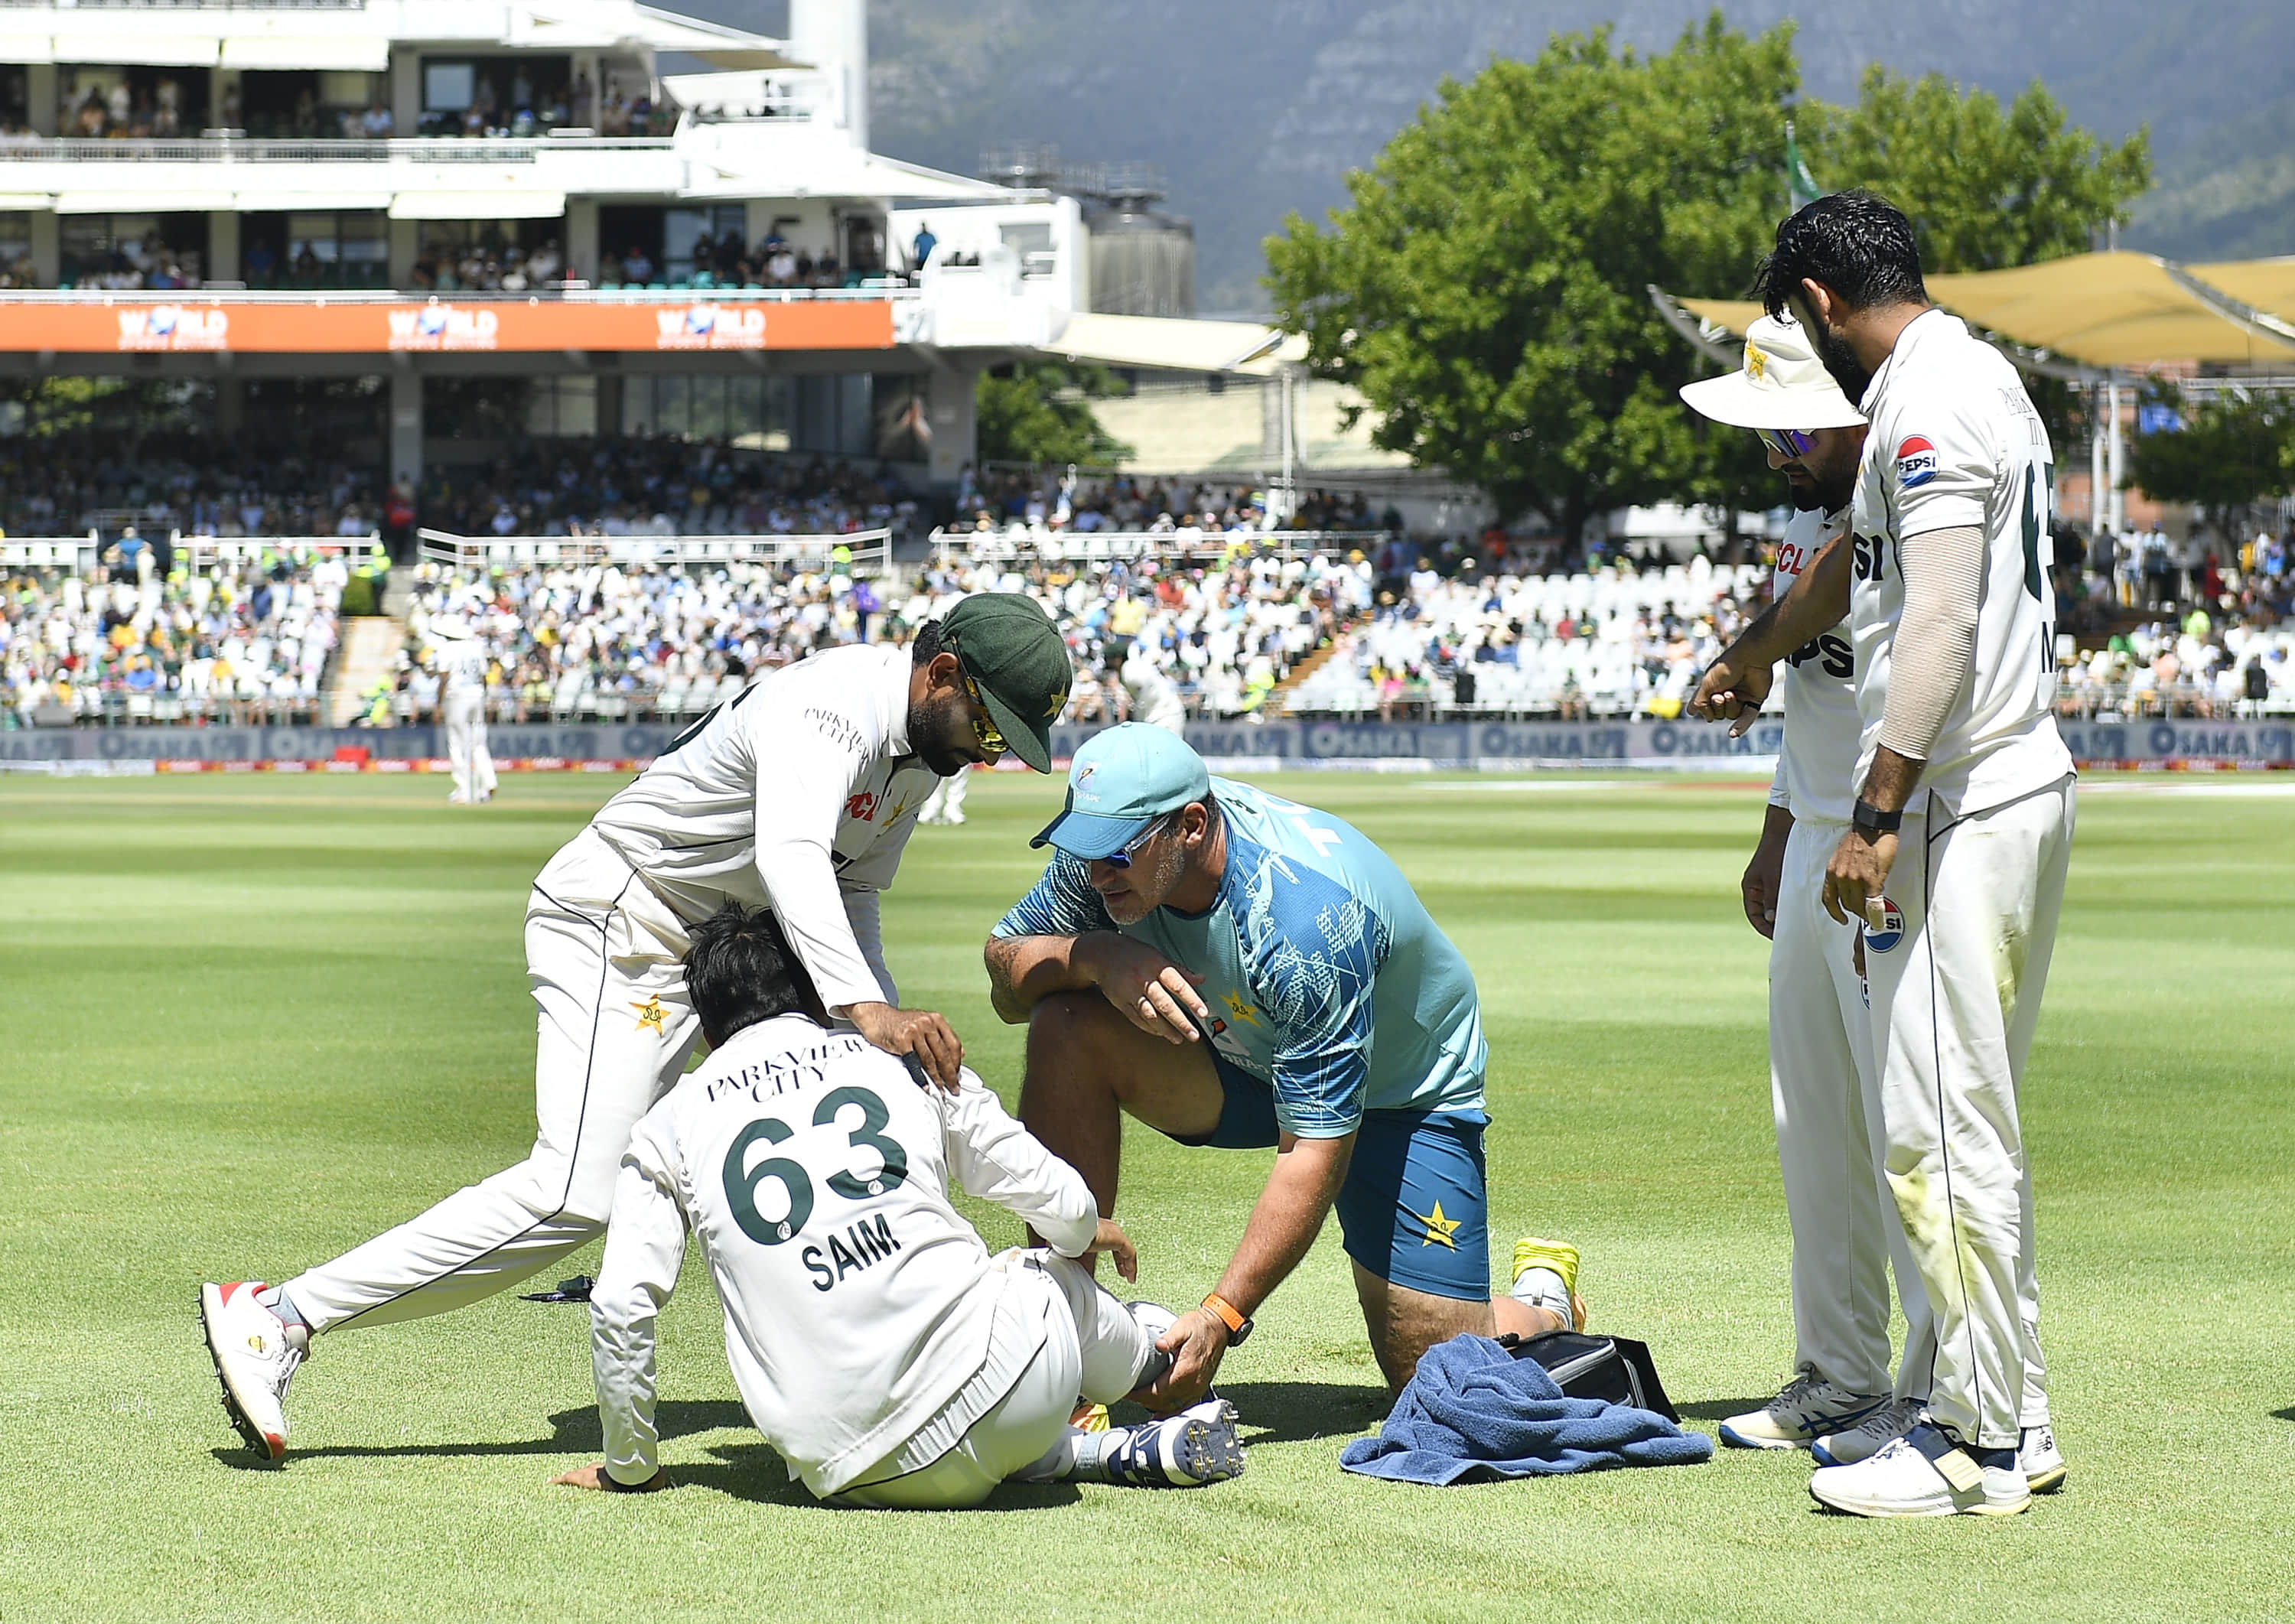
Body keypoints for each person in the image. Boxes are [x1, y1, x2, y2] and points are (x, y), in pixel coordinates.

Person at [200, 595, 1076, 1460]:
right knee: (575, 1190)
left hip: (717, 943)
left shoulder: (920, 753)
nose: (987, 755)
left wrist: (875, 1029)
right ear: (944, 673)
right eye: (990, 731)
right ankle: (278, 1316)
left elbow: (851, 890)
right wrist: (865, 1009)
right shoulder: (833, 701)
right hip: (621, 913)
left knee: (862, 1089)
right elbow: (791, 857)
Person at [1701, 190, 2075, 1518]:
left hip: (1961, 796)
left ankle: (1973, 1443)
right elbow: (1876, 591)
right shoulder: (1977, 378)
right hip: (1985, 786)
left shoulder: (1923, 401)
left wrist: (1871, 813)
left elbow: (1941, 619)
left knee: (1938, 1119)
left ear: (1815, 301)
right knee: (1963, 1115)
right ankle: (2012, 1417)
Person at [550, 903, 1245, 1506]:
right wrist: (1088, 1227)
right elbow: (1059, 1199)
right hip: (1010, 1385)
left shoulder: (666, 1122)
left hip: (843, 1470)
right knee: (1049, 1275)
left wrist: (631, 1469)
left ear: (708, 1031)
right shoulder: (899, 1056)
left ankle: (1083, 1454)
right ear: (823, 994)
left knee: (956, 1445)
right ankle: (1161, 1374)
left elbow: (619, 1304)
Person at [983, 724, 1585, 1407]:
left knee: (1437, 1377)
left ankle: (1543, 1302)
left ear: (1191, 825)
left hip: (1400, 1089)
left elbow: (1310, 1150)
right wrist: (1093, 954)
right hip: (1241, 1046)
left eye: (1115, 854)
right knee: (1065, 1021)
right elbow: (1006, 976)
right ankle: (1067, 1338)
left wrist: (1220, 1315)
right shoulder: (1107, 845)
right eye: (1084, 848)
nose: (1096, 872)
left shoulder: (1304, 923)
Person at [1678, 314, 1935, 1455]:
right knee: (1812, 1121)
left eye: (1792, 426)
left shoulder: (1900, 505)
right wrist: (1777, 830)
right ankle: (1836, 1372)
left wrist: (1859, 822)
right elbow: (1811, 706)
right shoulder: (1798, 522)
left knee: (1903, 1120)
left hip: (1890, 840)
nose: (1778, 448)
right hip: (1818, 836)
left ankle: (1932, 1389)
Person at [435, 614, 496, 806]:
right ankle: (487, 784)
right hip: (476, 695)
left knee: (457, 743)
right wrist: (484, 697)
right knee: (478, 742)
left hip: (457, 696)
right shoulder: (476, 647)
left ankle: (464, 790)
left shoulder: (447, 649)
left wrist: (439, 705)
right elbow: (484, 676)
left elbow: (444, 678)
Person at [1108, 638, 1187, 733]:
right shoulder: (1132, 666)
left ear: (1117, 659)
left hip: (1167, 714)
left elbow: (1141, 686)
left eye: (1109, 659)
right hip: (1157, 715)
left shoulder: (1129, 672)